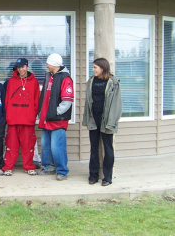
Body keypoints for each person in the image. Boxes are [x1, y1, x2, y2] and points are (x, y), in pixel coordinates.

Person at [83, 58, 122, 186]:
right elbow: (88, 102)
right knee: (94, 148)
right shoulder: (91, 81)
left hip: (107, 121)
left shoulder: (113, 82)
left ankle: (107, 177)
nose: (93, 69)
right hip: (94, 120)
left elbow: (117, 104)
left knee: (108, 148)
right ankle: (93, 175)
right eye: (93, 67)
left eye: (95, 67)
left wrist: (112, 121)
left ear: (102, 68)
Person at [37, 53, 74, 181]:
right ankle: (48, 167)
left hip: (57, 120)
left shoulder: (65, 78)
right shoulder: (48, 76)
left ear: (55, 64)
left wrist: (55, 113)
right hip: (46, 119)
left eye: (48, 63)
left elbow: (67, 101)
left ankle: (62, 170)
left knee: (57, 146)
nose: (47, 66)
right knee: (46, 145)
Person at [2, 58, 40, 176]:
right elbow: (7, 100)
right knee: (11, 144)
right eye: (19, 67)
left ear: (27, 67)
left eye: (23, 67)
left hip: (27, 120)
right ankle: (8, 166)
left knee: (28, 145)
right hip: (13, 119)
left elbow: (36, 101)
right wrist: (8, 115)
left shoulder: (34, 82)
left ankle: (28, 166)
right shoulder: (11, 81)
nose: (21, 70)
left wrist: (33, 115)